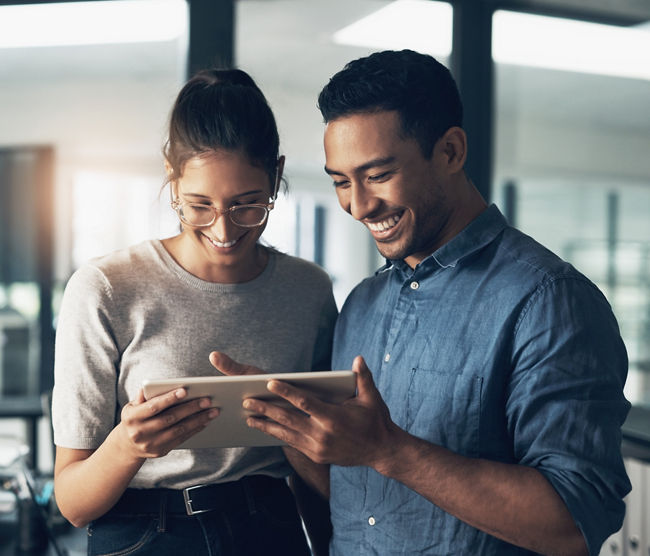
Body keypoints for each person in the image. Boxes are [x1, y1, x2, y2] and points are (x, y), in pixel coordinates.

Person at [217, 50, 631, 555]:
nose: (359, 206)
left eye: (377, 175)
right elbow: (355, 498)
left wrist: (388, 450)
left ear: (451, 152)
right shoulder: (361, 304)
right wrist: (288, 425)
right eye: (341, 182)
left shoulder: (549, 302)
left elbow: (575, 519)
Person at [51, 68, 337, 556]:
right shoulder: (105, 288)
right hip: (143, 531)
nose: (223, 230)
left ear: (276, 172)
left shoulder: (307, 290)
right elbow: (74, 504)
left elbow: (331, 478)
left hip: (269, 525)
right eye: (198, 205)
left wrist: (292, 429)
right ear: (171, 175)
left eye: (249, 205)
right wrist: (127, 445)